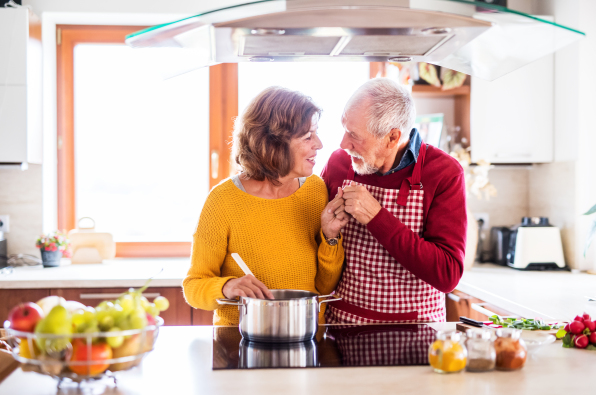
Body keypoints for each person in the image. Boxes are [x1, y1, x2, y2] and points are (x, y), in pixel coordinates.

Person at [183, 86, 349, 326]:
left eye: (316, 133)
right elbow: (193, 288)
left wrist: (330, 237)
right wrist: (226, 286)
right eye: (307, 136)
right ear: (274, 145)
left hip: (305, 336)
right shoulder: (222, 200)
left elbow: (323, 287)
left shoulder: (315, 190)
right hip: (240, 343)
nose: (319, 144)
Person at [321, 78, 467, 324]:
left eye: (353, 135)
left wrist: (377, 218)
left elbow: (448, 274)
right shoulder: (339, 164)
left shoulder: (444, 172)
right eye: (345, 129)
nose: (343, 144)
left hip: (417, 333)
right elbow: (314, 243)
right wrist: (327, 234)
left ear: (392, 138)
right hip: (343, 327)